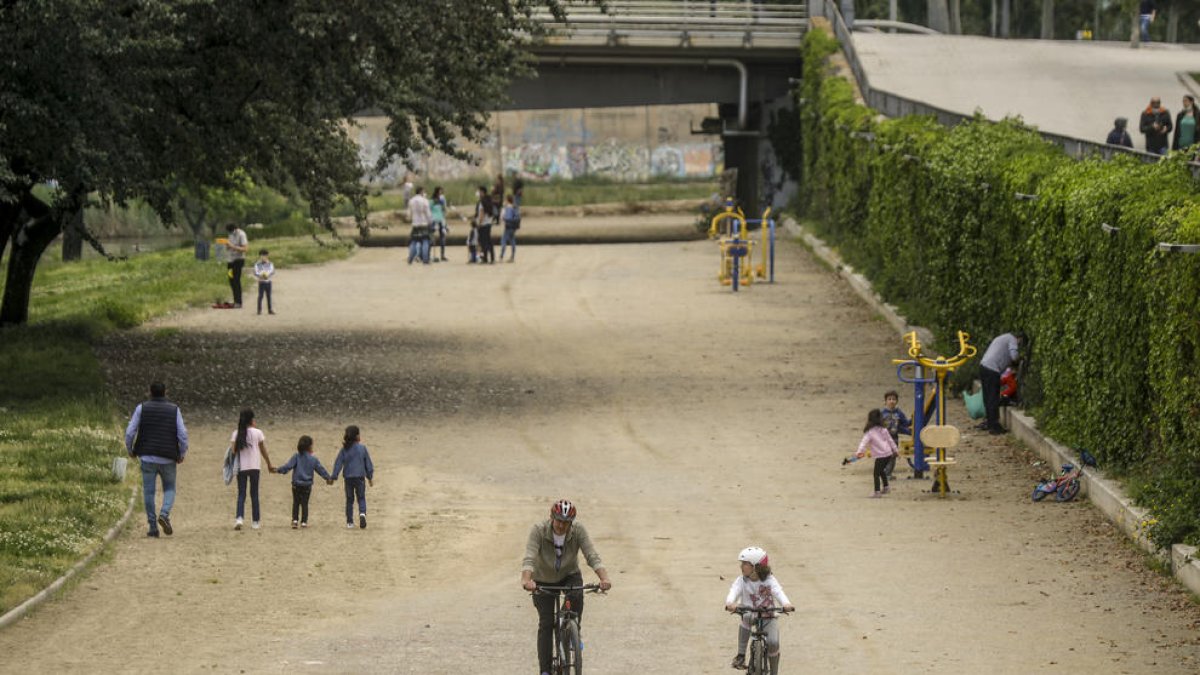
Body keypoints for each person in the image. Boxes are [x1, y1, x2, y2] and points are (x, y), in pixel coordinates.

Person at [521, 499, 612, 675]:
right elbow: (529, 558)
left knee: (577, 596)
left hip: (568, 575)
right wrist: (527, 581)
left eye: (566, 522)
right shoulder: (538, 530)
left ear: (572, 522)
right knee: (547, 623)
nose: (562, 526)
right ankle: (545, 671)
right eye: (559, 521)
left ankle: (571, 632)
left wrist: (604, 578)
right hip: (542, 578)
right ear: (551, 517)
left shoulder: (578, 530)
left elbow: (591, 555)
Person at [124, 382, 188, 537]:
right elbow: (182, 434)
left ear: (149, 392)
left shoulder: (141, 408)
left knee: (149, 492)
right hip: (168, 456)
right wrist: (181, 452)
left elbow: (130, 432)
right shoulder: (174, 410)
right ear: (166, 392)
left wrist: (130, 449)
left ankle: (153, 527)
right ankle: (164, 513)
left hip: (147, 456)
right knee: (170, 488)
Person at [724, 546, 794, 674]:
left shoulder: (769, 580)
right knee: (746, 617)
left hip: (768, 615)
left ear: (756, 566)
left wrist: (786, 603)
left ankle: (774, 671)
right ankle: (740, 656)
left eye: (745, 563)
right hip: (749, 613)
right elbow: (734, 590)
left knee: (773, 642)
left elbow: (778, 592)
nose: (741, 566)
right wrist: (730, 603)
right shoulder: (742, 580)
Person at [275, 435, 332, 529]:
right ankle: (304, 521)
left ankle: (294, 520)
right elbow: (320, 469)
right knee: (305, 503)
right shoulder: (313, 459)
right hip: (307, 485)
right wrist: (328, 478)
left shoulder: (296, 457)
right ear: (309, 447)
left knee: (296, 502)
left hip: (296, 484)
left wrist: (278, 470)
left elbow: (288, 467)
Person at [231, 408, 273, 530]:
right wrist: (268, 463)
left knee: (241, 494)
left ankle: (239, 518)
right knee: (254, 494)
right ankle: (255, 522)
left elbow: (233, 451)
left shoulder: (236, 433)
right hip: (255, 467)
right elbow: (263, 449)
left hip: (242, 468)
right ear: (252, 420)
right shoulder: (258, 432)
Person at [979, 331, 1025, 435]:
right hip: (992, 369)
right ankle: (995, 427)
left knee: (987, 397)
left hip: (984, 366)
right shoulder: (1012, 339)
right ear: (1019, 338)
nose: (1019, 345)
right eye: (1020, 343)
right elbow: (1014, 356)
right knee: (993, 397)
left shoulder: (1002, 337)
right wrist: (1020, 359)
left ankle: (990, 423)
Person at [331, 425, 374, 529]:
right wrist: (369, 477)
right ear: (357, 436)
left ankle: (350, 522)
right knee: (361, 497)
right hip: (360, 477)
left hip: (348, 478)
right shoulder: (362, 448)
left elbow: (338, 463)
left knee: (349, 500)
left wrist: (333, 476)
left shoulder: (344, 449)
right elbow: (368, 464)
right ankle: (362, 514)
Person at [855, 408, 898, 497]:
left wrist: (859, 452)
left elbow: (864, 442)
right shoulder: (884, 429)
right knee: (881, 470)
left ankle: (877, 492)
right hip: (888, 454)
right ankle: (886, 487)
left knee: (876, 473)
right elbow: (891, 441)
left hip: (881, 456)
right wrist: (895, 450)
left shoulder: (870, 432)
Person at [880, 390, 911, 479]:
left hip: (894, 438)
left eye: (893, 399)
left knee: (893, 456)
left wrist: (913, 421)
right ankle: (884, 473)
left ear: (897, 401)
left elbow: (905, 423)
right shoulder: (882, 414)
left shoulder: (899, 413)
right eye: (889, 399)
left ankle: (888, 474)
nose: (891, 401)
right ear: (885, 401)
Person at [225, 223, 249, 308]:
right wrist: (227, 246)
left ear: (235, 229)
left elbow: (245, 249)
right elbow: (230, 246)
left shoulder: (241, 234)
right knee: (231, 279)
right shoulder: (230, 235)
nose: (230, 233)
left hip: (238, 260)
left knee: (236, 280)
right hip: (230, 261)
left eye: (231, 231)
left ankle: (239, 302)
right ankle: (235, 300)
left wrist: (233, 246)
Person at [407, 185, 432, 265]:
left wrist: (410, 219)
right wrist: (430, 222)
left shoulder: (411, 201)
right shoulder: (425, 201)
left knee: (413, 241)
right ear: (421, 191)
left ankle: (410, 259)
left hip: (415, 224)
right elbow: (428, 213)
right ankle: (425, 260)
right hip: (424, 223)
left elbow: (409, 214)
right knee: (425, 241)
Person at [475, 185, 496, 264]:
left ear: (482, 192)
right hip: (489, 223)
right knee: (489, 241)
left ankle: (485, 258)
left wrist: (479, 223)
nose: (478, 193)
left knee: (483, 242)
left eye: (479, 191)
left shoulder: (482, 202)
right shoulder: (489, 200)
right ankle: (492, 258)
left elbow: (481, 213)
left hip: (483, 224)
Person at [500, 193, 521, 263]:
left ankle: (501, 256)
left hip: (508, 226)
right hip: (514, 227)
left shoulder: (507, 208)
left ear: (507, 200)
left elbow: (506, 218)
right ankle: (512, 257)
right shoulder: (514, 207)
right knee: (512, 241)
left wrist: (503, 218)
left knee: (504, 241)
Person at [253, 248, 275, 315]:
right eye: (262, 256)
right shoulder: (257, 264)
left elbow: (272, 271)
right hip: (261, 282)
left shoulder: (270, 263)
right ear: (260, 256)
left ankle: (270, 310)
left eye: (265, 256)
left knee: (269, 296)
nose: (263, 257)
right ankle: (259, 310)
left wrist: (267, 275)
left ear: (267, 256)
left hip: (268, 281)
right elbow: (255, 272)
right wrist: (260, 276)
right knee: (260, 296)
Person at [430, 186, 449, 262]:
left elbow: (444, 210)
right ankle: (429, 255)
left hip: (441, 220)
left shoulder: (441, 200)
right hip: (434, 220)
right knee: (432, 237)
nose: (440, 193)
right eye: (440, 191)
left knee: (442, 237)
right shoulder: (432, 201)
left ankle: (442, 255)